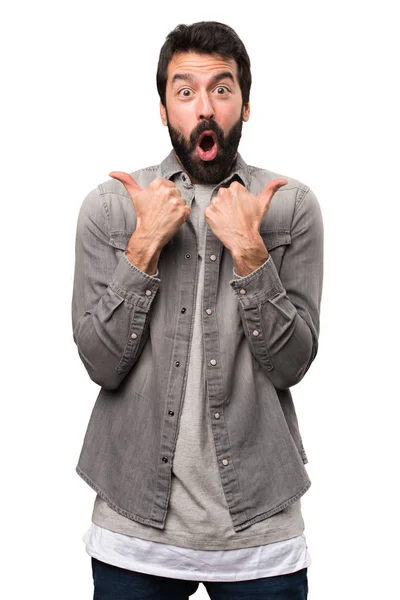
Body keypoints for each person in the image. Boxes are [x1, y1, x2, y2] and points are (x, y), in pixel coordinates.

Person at [72, 20, 323, 600]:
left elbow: (293, 365)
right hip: (134, 523)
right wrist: (142, 248)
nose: (204, 107)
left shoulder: (290, 207)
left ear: (246, 104)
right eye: (185, 91)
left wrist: (252, 254)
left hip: (259, 529)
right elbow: (100, 365)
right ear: (163, 108)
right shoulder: (110, 206)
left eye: (222, 89)